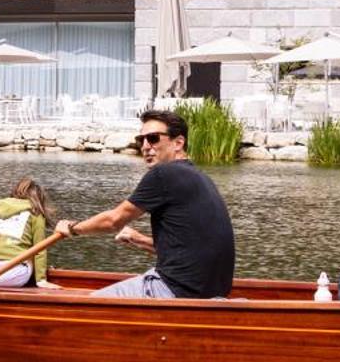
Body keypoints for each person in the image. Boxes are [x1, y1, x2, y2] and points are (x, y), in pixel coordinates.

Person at [55, 108, 235, 299]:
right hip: (212, 293)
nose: (145, 146)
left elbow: (114, 220)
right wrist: (138, 239)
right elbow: (189, 249)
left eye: (154, 138)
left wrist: (72, 228)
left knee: (89, 305)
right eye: (141, 140)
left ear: (178, 143)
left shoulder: (163, 174)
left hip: (177, 290)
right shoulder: (200, 177)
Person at [0, 178, 61, 289]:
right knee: (31, 252)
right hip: (13, 275)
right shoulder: (35, 212)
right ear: (39, 197)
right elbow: (39, 250)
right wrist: (41, 280)